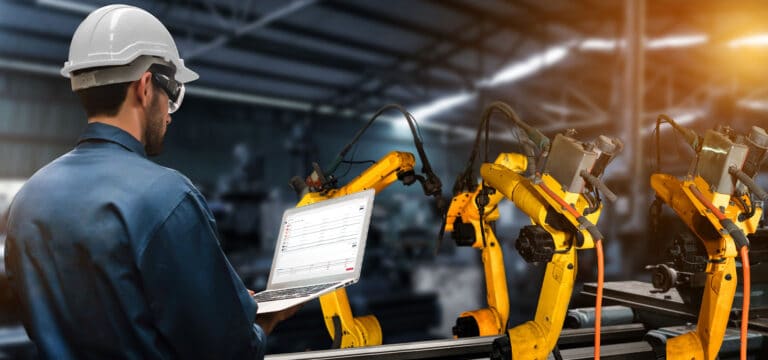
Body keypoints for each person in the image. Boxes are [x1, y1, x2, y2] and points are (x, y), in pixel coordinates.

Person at [3, 5, 297, 359]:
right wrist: (257, 324)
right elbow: (228, 350)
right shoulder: (168, 199)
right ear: (144, 87)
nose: (169, 115)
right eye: (170, 94)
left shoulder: (28, 201)